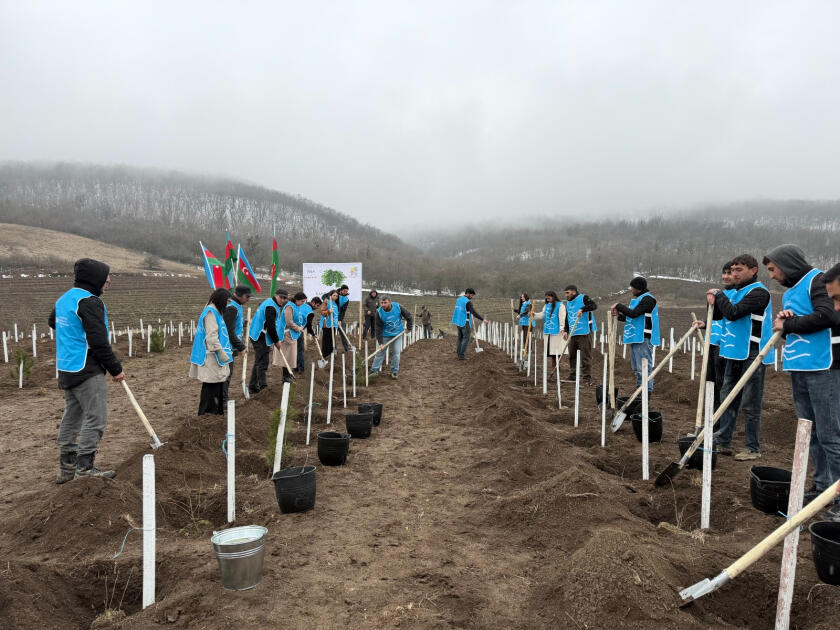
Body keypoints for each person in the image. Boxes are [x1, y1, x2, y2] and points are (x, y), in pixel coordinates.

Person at [764, 245, 840, 521]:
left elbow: (827, 316)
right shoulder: (789, 293)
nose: (772, 276)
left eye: (773, 269)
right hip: (800, 367)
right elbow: (798, 329)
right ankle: (822, 487)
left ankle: (839, 495)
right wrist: (787, 324)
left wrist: (788, 325)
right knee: (811, 432)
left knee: (831, 434)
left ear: (787, 264)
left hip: (823, 367)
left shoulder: (817, 281)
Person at [49, 258, 125, 483]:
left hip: (66, 367)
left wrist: (73, 334)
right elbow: (98, 342)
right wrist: (115, 368)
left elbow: (53, 321)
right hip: (86, 368)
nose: (108, 281)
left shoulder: (65, 298)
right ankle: (84, 469)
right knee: (96, 418)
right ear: (95, 278)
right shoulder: (90, 301)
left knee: (72, 416)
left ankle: (67, 469)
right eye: (106, 277)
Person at [701, 255, 774, 460]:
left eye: (739, 270)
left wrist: (719, 294)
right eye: (732, 270)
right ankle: (724, 440)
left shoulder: (759, 293)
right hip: (733, 352)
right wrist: (713, 302)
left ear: (753, 270)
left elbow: (734, 313)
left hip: (753, 353)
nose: (734, 274)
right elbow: (719, 316)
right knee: (727, 397)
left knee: (751, 403)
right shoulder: (734, 292)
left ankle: (752, 447)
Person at [612, 277, 659, 394]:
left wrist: (619, 306)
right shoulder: (639, 299)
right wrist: (619, 316)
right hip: (636, 337)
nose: (631, 289)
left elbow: (634, 314)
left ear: (638, 288)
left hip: (644, 338)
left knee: (644, 367)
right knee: (637, 368)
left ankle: (646, 392)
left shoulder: (648, 299)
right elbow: (632, 318)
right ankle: (639, 391)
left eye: (632, 287)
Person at [189, 288, 233, 415]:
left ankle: (215, 413)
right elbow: (211, 336)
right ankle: (207, 415)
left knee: (217, 385)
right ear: (221, 300)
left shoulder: (216, 312)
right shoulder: (210, 313)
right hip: (211, 356)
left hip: (215, 356)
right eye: (227, 301)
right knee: (211, 386)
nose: (228, 305)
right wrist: (220, 352)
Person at [248, 289, 290, 393]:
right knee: (263, 362)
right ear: (276, 295)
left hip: (257, 333)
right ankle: (263, 388)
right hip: (259, 335)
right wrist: (276, 341)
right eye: (281, 297)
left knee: (259, 361)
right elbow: (271, 327)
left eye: (284, 298)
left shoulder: (270, 302)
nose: (282, 300)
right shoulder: (271, 307)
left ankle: (253, 386)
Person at [370, 296, 414, 379]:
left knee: (396, 353)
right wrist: (380, 342)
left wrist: (409, 328)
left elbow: (409, 316)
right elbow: (378, 328)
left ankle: (394, 371)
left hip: (397, 334)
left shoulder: (398, 307)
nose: (383, 305)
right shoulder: (379, 312)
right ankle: (374, 370)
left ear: (390, 302)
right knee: (380, 353)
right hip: (385, 335)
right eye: (381, 303)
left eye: (385, 303)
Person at [562, 285, 598, 385]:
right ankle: (573, 375)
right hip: (573, 332)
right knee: (572, 355)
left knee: (585, 356)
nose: (566, 295)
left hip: (584, 331)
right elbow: (567, 317)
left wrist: (582, 309)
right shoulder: (568, 303)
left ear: (574, 292)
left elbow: (594, 306)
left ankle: (586, 377)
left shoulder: (584, 298)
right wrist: (565, 330)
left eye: (567, 293)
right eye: (565, 293)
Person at [222, 285, 251, 404]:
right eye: (247, 296)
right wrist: (241, 347)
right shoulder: (232, 308)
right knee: (225, 373)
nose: (248, 299)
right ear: (239, 295)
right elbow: (228, 331)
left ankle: (222, 398)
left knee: (227, 373)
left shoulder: (237, 306)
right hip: (226, 347)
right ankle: (223, 400)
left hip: (231, 346)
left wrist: (243, 323)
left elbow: (232, 324)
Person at [273, 291, 305, 383]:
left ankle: (288, 375)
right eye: (302, 301)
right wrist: (298, 328)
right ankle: (285, 377)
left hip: (292, 334)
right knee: (287, 356)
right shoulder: (289, 307)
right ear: (297, 300)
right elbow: (289, 322)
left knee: (290, 356)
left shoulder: (295, 306)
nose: (303, 303)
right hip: (286, 334)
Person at [533, 291, 566, 373]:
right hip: (548, 330)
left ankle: (556, 366)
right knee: (550, 350)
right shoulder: (546, 306)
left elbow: (562, 318)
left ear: (553, 297)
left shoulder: (560, 305)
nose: (547, 299)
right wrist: (534, 314)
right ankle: (554, 366)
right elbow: (542, 315)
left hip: (557, 331)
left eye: (549, 297)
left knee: (556, 350)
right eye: (546, 298)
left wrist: (562, 329)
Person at [451, 288, 485, 360]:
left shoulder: (459, 300)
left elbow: (459, 310)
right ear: (468, 294)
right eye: (472, 295)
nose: (472, 297)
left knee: (460, 338)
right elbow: (474, 313)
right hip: (465, 323)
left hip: (458, 322)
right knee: (466, 339)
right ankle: (462, 356)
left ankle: (459, 354)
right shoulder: (468, 302)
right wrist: (482, 319)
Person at [295, 295, 320, 373]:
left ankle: (295, 367)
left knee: (294, 349)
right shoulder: (310, 312)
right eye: (317, 305)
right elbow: (308, 325)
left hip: (291, 329)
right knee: (300, 350)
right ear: (313, 302)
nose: (317, 308)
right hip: (299, 330)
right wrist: (313, 334)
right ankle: (301, 368)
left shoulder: (302, 305)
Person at [320, 289, 340, 357]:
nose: (335, 297)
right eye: (334, 295)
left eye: (336, 296)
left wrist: (337, 321)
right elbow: (322, 312)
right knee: (326, 340)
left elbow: (336, 314)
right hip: (327, 324)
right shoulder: (326, 301)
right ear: (330, 295)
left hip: (333, 324)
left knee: (332, 339)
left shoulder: (335, 303)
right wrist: (328, 311)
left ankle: (331, 354)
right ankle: (325, 355)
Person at [337, 284, 352, 352]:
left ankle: (346, 348)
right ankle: (333, 348)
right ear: (341, 290)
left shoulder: (346, 300)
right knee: (332, 334)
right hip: (331, 316)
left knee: (343, 332)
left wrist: (340, 320)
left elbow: (343, 311)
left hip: (339, 316)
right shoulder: (335, 294)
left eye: (346, 291)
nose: (345, 292)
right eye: (344, 291)